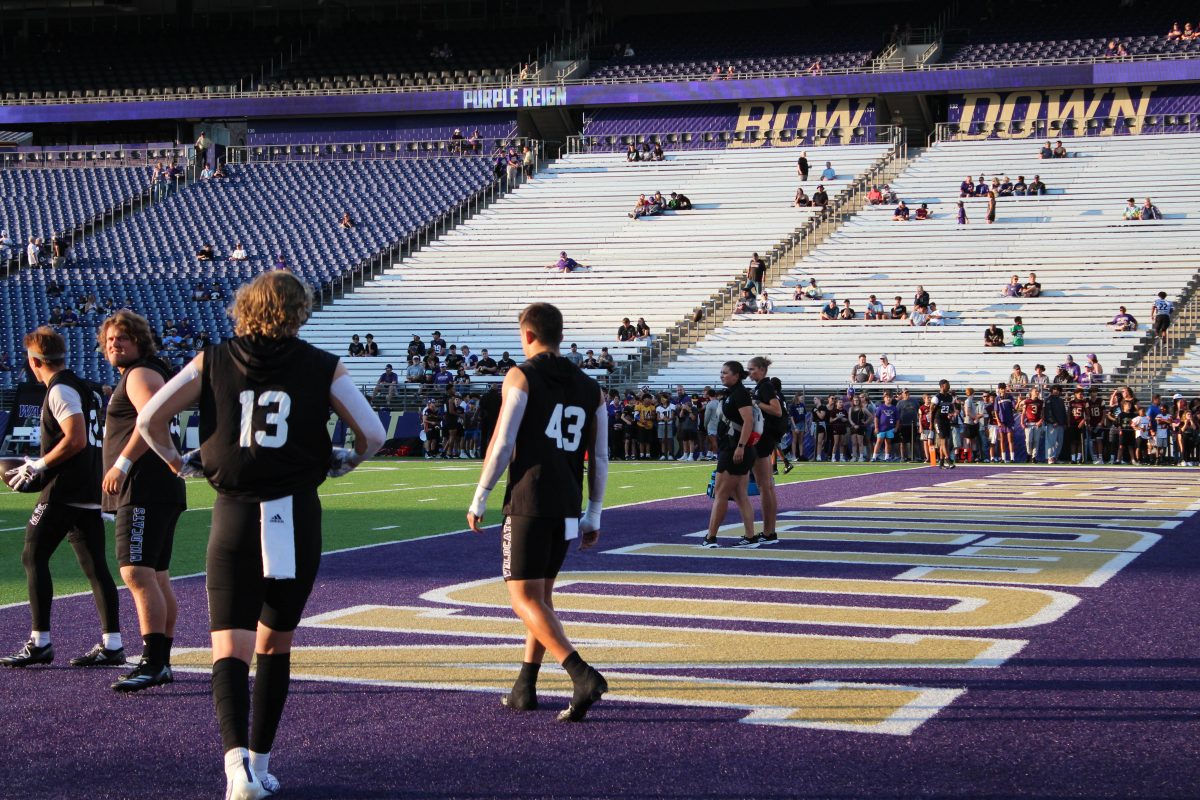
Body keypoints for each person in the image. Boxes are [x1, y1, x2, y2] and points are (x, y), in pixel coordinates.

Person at [135, 271, 386, 799]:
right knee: (275, 643)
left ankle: (235, 770)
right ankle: (262, 762)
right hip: (293, 514)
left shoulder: (212, 358)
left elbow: (149, 420)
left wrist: (179, 462)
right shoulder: (322, 364)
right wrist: (347, 460)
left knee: (228, 646)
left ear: (243, 307)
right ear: (300, 311)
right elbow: (375, 433)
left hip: (233, 514)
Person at [465, 303, 608, 722]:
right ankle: (525, 684)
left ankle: (581, 674)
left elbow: (503, 441)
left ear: (527, 334)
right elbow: (599, 456)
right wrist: (595, 511)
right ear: (560, 335)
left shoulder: (521, 374)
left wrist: (480, 494)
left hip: (530, 498)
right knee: (541, 599)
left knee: (523, 598)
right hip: (567, 500)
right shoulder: (591, 387)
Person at [1, 327, 124, 670]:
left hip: (65, 488)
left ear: (34, 361)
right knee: (94, 565)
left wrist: (37, 465)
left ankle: (40, 641)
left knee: (32, 555)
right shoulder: (86, 386)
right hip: (89, 485)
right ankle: (112, 643)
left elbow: (76, 439)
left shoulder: (62, 389)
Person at [96, 311, 187, 692]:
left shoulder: (139, 374)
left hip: (144, 487)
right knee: (155, 574)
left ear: (140, 342)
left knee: (135, 572)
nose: (115, 344)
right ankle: (160, 662)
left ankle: (152, 662)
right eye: (111, 340)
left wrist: (122, 463)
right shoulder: (141, 372)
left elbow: (151, 420)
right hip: (155, 487)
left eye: (123, 338)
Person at [701, 361, 757, 548]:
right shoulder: (732, 393)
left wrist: (740, 446)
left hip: (734, 449)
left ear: (736, 375)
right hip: (734, 448)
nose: (721, 375)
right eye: (721, 372)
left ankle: (711, 537)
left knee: (721, 494)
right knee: (741, 495)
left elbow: (748, 421)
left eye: (725, 372)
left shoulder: (740, 394)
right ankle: (750, 536)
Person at [932, 380, 958, 469]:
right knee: (943, 441)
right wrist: (931, 422)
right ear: (942, 386)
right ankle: (948, 459)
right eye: (948, 384)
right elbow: (932, 410)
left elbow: (950, 409)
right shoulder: (937, 397)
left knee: (945, 442)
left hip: (945, 420)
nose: (949, 386)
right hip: (938, 420)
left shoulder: (949, 397)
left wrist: (950, 414)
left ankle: (941, 463)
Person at [1020, 387, 1045, 462]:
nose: (1037, 392)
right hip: (1028, 423)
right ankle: (1029, 454)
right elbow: (1023, 413)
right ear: (1031, 392)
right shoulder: (1027, 401)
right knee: (1028, 441)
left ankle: (1034, 457)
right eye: (1035, 391)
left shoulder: (1041, 402)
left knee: (1036, 441)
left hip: (1037, 423)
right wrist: (1022, 422)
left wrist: (1041, 420)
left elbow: (1043, 413)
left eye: (1038, 391)